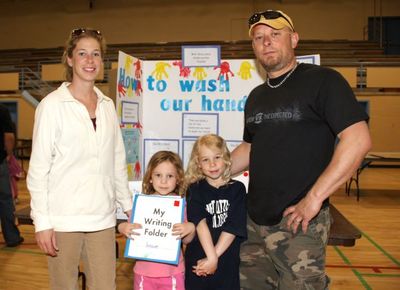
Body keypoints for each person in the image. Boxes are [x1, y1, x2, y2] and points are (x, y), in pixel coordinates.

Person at [230, 9, 372, 289]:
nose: (266, 42)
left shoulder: (323, 81)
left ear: (294, 39)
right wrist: (205, 173)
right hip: (253, 223)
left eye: (275, 34)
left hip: (299, 223)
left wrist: (314, 198)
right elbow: (250, 147)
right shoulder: (257, 96)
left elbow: (358, 140)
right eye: (259, 38)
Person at [27, 28, 132, 290]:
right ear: (70, 59)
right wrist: (42, 222)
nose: (90, 60)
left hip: (103, 220)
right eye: (82, 53)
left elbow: (117, 163)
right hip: (63, 221)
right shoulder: (51, 106)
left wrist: (129, 207)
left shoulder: (108, 105)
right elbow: (38, 170)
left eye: (95, 54)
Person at [118, 150, 195, 290]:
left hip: (172, 273)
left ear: (178, 179)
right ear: (150, 178)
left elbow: (187, 240)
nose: (163, 181)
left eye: (170, 176)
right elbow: (128, 227)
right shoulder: (143, 204)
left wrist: (190, 228)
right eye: (158, 175)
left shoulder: (179, 205)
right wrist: (123, 227)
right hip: (143, 273)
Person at [184, 134, 247, 290]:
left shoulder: (238, 189)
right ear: (198, 164)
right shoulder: (194, 189)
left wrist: (214, 258)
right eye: (205, 159)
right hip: (199, 260)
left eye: (217, 157)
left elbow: (232, 227)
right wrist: (210, 258)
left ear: (226, 158)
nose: (212, 164)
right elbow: (200, 223)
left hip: (227, 260)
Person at [0, 103, 24, 247]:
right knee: (5, 201)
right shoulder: (2, 110)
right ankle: (12, 237)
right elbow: (8, 136)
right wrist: (9, 155)